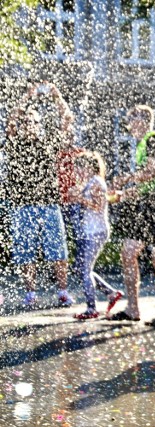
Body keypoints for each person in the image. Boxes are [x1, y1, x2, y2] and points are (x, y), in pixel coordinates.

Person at [5, 81, 75, 307]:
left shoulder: (48, 143)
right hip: (22, 205)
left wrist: (57, 95)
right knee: (25, 252)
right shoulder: (15, 144)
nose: (29, 125)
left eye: (33, 122)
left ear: (39, 125)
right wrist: (27, 97)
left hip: (49, 204)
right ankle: (30, 294)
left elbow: (67, 120)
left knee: (58, 249)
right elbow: (10, 121)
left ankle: (62, 291)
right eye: (26, 122)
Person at [108, 105, 155, 327]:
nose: (130, 126)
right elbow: (147, 185)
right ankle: (132, 308)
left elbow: (151, 174)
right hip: (147, 204)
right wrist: (123, 195)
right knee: (128, 251)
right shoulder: (141, 145)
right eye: (129, 122)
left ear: (145, 120)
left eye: (133, 120)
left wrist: (124, 179)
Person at [68, 151, 123, 319]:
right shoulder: (90, 182)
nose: (77, 171)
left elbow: (98, 207)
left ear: (88, 167)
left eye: (79, 167)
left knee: (84, 270)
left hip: (96, 232)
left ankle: (91, 308)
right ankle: (111, 293)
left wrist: (79, 198)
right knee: (80, 269)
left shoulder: (97, 182)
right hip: (89, 231)